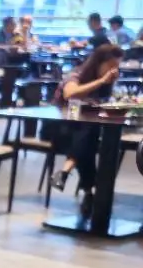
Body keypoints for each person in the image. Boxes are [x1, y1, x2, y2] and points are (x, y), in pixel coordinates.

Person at [50, 42, 124, 202]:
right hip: (59, 127)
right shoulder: (77, 74)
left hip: (83, 130)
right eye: (111, 65)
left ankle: (66, 175)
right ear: (98, 62)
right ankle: (92, 192)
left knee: (89, 135)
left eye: (116, 66)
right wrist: (101, 81)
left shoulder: (107, 82)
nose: (113, 70)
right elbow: (70, 93)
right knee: (89, 136)